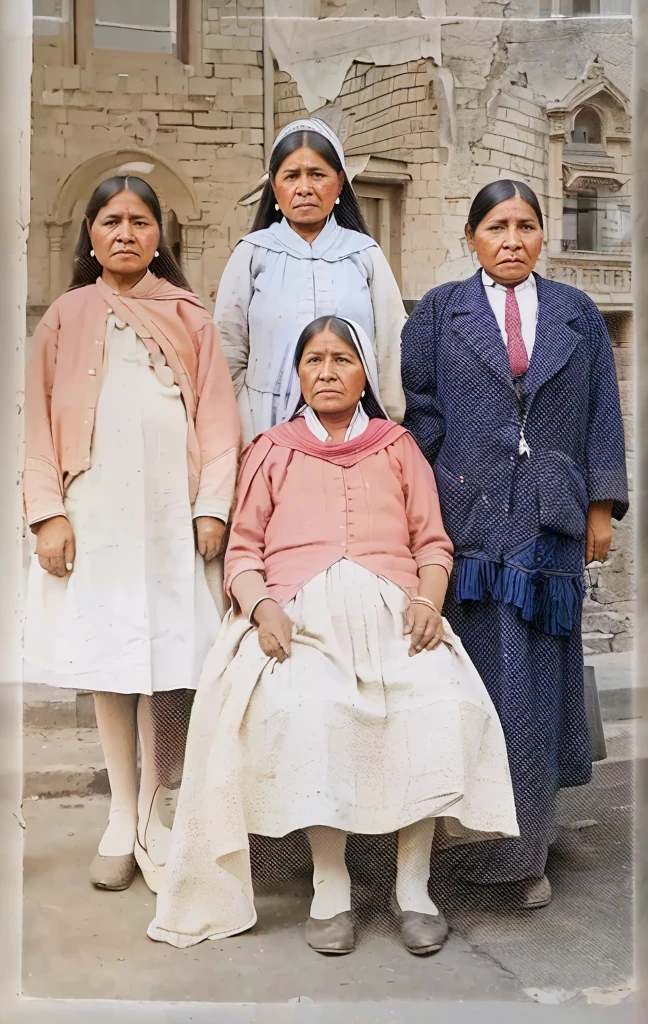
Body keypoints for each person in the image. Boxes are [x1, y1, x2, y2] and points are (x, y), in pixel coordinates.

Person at [148, 315, 518, 956]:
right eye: (314, 360)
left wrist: (429, 603)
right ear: (297, 374)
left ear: (364, 373)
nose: (327, 372)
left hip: (396, 614)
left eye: (342, 359)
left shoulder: (396, 446)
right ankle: (330, 884)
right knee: (309, 710)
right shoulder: (272, 449)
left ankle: (413, 886)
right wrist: (264, 610)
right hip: (299, 621)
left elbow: (432, 542)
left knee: (438, 705)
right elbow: (242, 552)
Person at [400, 179, 628, 909]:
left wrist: (599, 505)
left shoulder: (576, 313)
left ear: (542, 236)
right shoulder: (440, 312)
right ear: (472, 237)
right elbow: (419, 409)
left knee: (534, 679)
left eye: (526, 226)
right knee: (476, 679)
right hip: (468, 517)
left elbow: (602, 414)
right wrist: (447, 476)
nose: (512, 240)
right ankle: (464, 839)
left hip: (550, 520)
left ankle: (526, 853)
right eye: (497, 226)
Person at [23, 175, 240, 894]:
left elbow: (216, 419)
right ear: (89, 234)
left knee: (172, 660)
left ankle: (158, 809)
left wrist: (213, 505)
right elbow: (34, 424)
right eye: (111, 220)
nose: (125, 233)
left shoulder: (190, 315)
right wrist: (48, 513)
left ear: (160, 236)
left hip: (171, 513)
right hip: (97, 514)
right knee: (115, 659)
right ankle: (121, 814)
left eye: (141, 221)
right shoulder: (65, 315)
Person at [213, 117, 407, 442]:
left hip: (352, 426)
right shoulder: (252, 254)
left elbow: (390, 347)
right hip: (262, 424)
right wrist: (234, 433)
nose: (304, 188)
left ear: (340, 182)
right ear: (275, 186)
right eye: (292, 176)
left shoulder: (364, 254)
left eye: (317, 174)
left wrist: (390, 427)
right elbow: (228, 349)